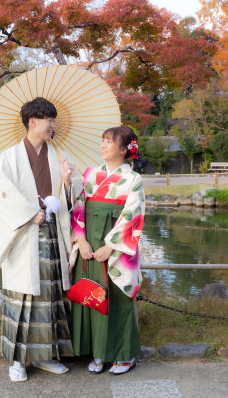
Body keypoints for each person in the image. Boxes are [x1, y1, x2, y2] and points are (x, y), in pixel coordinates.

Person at [0, 97, 83, 382]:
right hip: (25, 234)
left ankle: (45, 355)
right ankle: (17, 360)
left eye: (53, 120)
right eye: (49, 120)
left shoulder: (59, 155)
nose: (53, 125)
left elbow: (73, 196)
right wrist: (30, 214)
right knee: (23, 298)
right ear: (33, 122)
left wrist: (67, 183)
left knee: (50, 296)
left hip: (52, 233)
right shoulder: (10, 157)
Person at [69, 125, 145, 375]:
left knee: (118, 298)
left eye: (109, 141)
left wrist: (110, 247)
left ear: (124, 149)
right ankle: (98, 352)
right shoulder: (90, 174)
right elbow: (78, 205)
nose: (103, 145)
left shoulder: (133, 179)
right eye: (102, 140)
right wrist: (80, 240)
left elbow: (133, 216)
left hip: (116, 247)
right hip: (89, 243)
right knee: (92, 294)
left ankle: (124, 355)